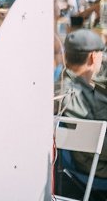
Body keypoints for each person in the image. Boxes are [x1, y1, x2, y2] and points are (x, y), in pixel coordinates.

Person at [60, 29, 107, 197]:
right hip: (96, 169)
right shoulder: (79, 97)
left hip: (82, 163)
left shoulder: (63, 83)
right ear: (93, 57)